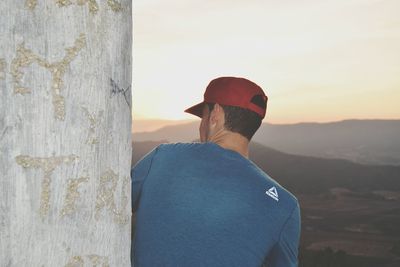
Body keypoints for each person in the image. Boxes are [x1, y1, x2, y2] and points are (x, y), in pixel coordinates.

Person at [131, 77, 301, 266]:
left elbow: (109, 204)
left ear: (215, 115)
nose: (201, 124)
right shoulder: (285, 206)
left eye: (203, 115)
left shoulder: (161, 158)